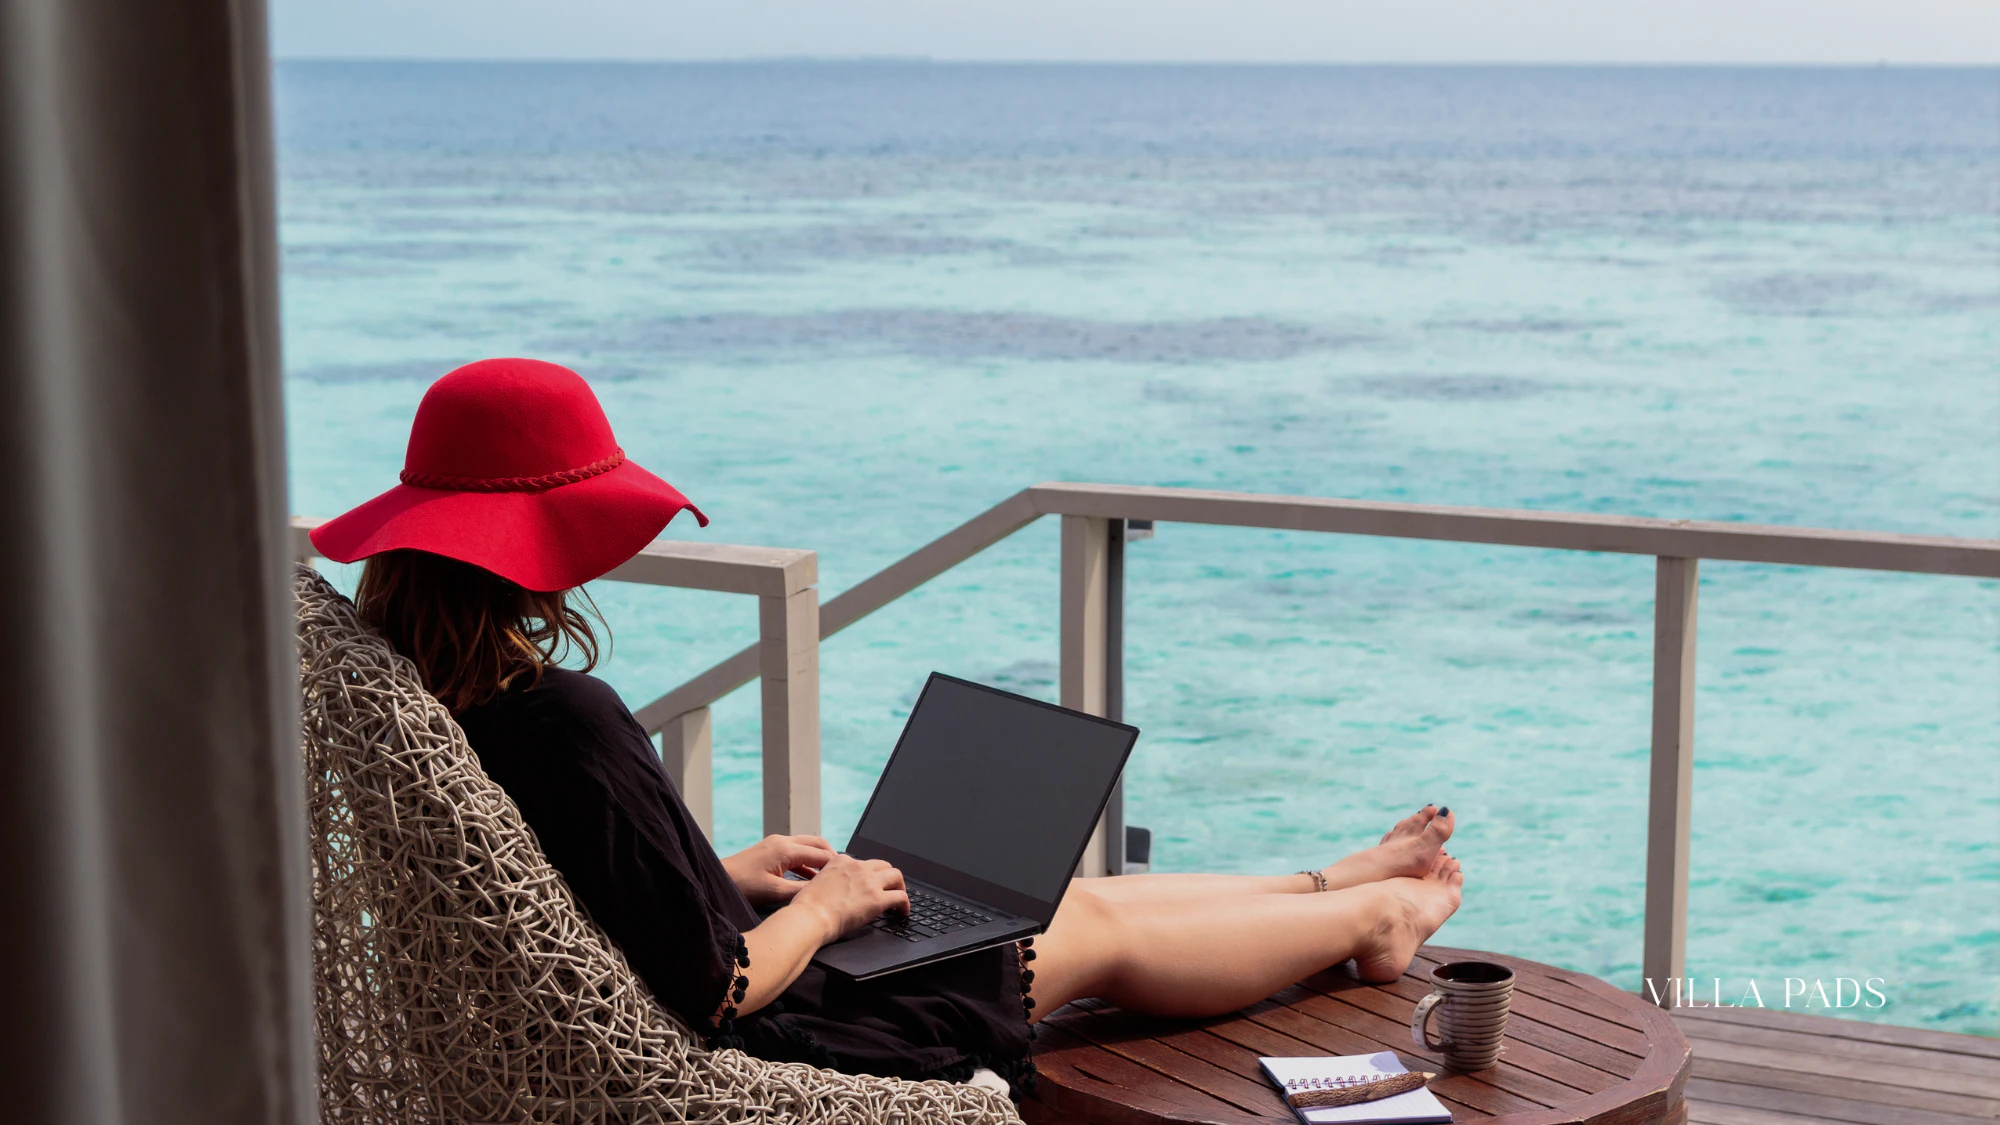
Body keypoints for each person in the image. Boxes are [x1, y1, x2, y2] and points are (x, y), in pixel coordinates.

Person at [310, 357, 1464, 1097]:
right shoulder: (566, 718)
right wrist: (823, 903)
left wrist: (721, 870)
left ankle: (1328, 882)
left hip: (723, 962)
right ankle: (1370, 914)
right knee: (1085, 928)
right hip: (778, 1026)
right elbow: (716, 991)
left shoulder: (447, 708)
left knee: (1037, 902)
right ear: (542, 554)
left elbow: (572, 900)